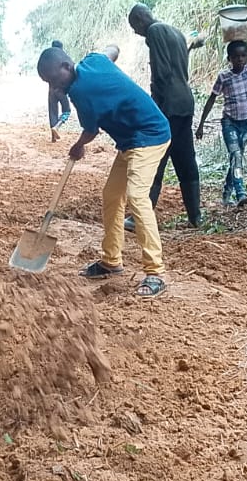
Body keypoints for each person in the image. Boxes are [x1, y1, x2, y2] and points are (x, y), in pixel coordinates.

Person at [37, 44, 171, 298]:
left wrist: (78, 146)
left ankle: (156, 272)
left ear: (66, 67)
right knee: (112, 195)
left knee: (137, 197)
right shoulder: (94, 60)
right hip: (131, 140)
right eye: (48, 83)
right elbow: (113, 50)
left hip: (151, 135)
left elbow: (91, 131)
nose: (54, 88)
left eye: (54, 81)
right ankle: (112, 260)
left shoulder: (80, 93)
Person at [127, 3, 206, 229]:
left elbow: (160, 72)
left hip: (168, 103)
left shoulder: (154, 31)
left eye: (134, 26)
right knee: (185, 157)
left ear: (141, 19)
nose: (136, 32)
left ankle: (139, 216)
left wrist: (154, 104)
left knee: (156, 157)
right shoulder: (177, 32)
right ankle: (195, 216)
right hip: (185, 101)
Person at [196, 32, 247, 207]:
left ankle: (226, 193)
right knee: (236, 155)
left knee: (235, 159)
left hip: (245, 123)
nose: (240, 59)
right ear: (229, 58)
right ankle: (240, 192)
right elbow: (211, 99)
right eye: (236, 56)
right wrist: (201, 124)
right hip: (229, 122)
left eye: (243, 55)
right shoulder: (224, 77)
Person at [47, 40, 72, 142]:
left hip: (51, 90)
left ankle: (53, 137)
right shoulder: (63, 59)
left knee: (53, 112)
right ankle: (57, 127)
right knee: (67, 110)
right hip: (61, 91)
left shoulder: (49, 59)